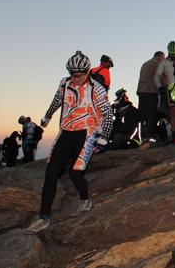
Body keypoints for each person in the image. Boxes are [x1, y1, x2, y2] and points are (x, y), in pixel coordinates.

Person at [28, 51, 113, 233]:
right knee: (51, 172)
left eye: (78, 75)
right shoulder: (65, 83)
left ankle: (84, 199)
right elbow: (58, 99)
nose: (74, 78)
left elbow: (108, 114)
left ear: (87, 71)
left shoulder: (96, 88)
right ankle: (43, 216)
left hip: (87, 132)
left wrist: (104, 137)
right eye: (71, 74)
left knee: (75, 173)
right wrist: (47, 116)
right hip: (66, 131)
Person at [136, 51, 165, 142]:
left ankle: (141, 136)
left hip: (142, 92)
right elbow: (161, 78)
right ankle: (148, 136)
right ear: (160, 57)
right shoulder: (157, 63)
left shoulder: (146, 63)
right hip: (150, 92)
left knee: (142, 115)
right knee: (150, 115)